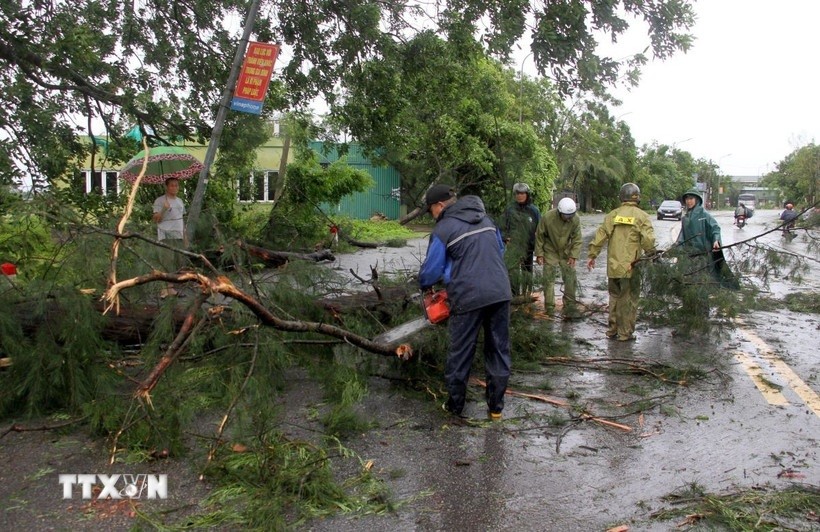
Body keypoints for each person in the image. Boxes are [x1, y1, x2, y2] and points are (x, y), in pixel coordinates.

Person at [418, 184, 512, 420]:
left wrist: (425, 285)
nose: (432, 215)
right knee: (498, 350)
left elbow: (431, 271)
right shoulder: (487, 221)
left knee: (460, 352)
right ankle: (495, 409)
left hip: (468, 296)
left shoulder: (444, 228)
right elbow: (499, 252)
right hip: (500, 292)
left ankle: (455, 407)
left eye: (431, 210)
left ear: (439, 205)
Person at [586, 183, 656, 341]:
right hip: (631, 266)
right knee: (629, 300)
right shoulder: (642, 216)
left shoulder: (612, 215)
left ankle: (612, 330)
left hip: (613, 266)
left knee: (615, 297)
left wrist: (592, 255)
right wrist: (652, 255)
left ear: (621, 197)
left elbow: (600, 236)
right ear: (637, 198)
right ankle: (625, 333)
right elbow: (648, 241)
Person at [535, 197, 582, 319]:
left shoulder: (575, 219)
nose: (569, 218)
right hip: (550, 249)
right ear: (559, 212)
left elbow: (577, 239)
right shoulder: (548, 217)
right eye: (566, 216)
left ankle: (570, 306)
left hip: (566, 250)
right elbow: (539, 235)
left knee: (570, 277)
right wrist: (539, 254)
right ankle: (549, 307)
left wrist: (573, 255)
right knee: (549, 279)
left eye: (571, 215)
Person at [502, 183, 540, 295]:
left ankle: (527, 294)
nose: (520, 196)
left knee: (527, 271)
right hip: (513, 246)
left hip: (528, 246)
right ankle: (514, 295)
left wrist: (537, 245)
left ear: (527, 194)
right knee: (513, 272)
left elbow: (540, 228)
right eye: (518, 193)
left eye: (522, 193)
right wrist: (505, 238)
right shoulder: (509, 209)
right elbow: (502, 226)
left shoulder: (534, 210)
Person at [152, 177, 187, 298]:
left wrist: (185, 236)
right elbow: (156, 219)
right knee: (167, 261)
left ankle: (171, 288)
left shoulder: (180, 201)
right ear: (166, 187)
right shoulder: (160, 201)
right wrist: (164, 209)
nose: (175, 188)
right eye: (172, 185)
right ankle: (164, 289)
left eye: (176, 185)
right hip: (166, 234)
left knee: (177, 262)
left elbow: (181, 219)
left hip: (178, 234)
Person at [678, 187, 722, 280]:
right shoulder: (685, 218)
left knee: (704, 278)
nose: (688, 201)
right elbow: (682, 235)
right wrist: (676, 248)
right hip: (690, 253)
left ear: (697, 200)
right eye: (687, 199)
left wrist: (716, 240)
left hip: (704, 253)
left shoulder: (704, 215)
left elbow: (715, 228)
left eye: (691, 199)